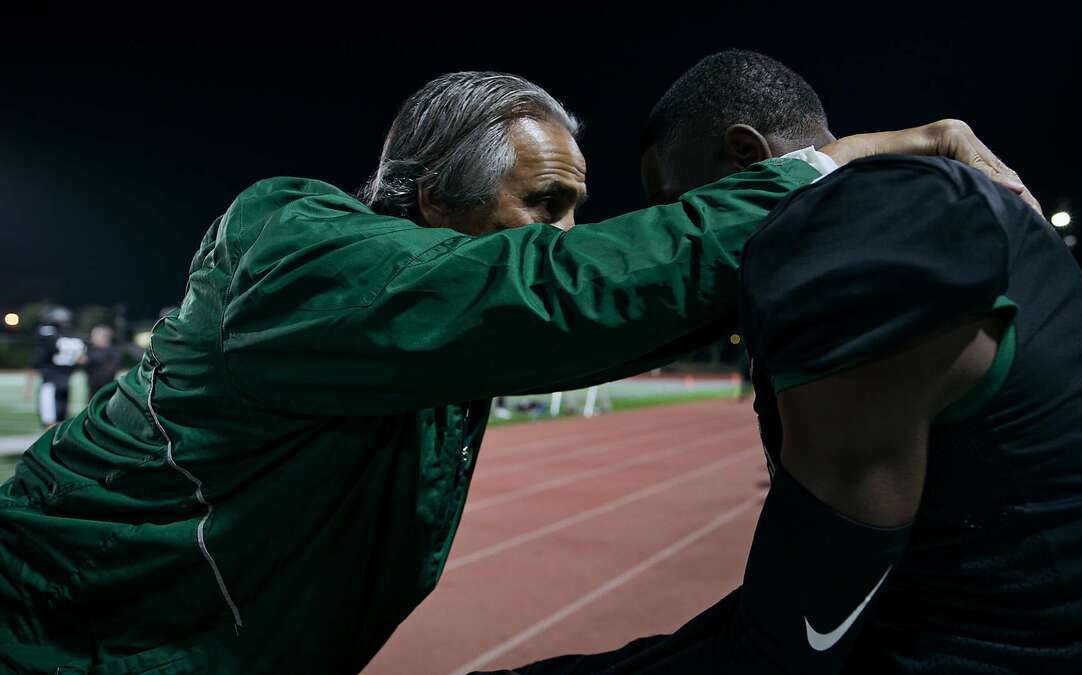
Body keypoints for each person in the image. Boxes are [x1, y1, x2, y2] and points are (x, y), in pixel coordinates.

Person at [0, 70, 1018, 674]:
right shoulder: (298, 244)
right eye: (545, 203)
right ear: (438, 193)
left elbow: (618, 307)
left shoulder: (441, 340)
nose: (567, 233)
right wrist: (828, 172)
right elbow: (566, 293)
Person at [515, 50, 1082, 674]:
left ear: (746, 157)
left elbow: (791, 645)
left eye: (675, 207)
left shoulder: (851, 235)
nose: (672, 231)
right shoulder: (939, 200)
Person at [23, 307, 86, 429]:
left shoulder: (47, 335)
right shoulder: (75, 337)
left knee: (49, 423)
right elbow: (82, 359)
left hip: (50, 383)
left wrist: (28, 386)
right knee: (60, 424)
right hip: (66, 382)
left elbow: (36, 361)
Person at [83, 324, 122, 400]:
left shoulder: (111, 352)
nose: (92, 338)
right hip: (93, 389)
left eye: (95, 336)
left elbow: (109, 370)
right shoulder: (92, 351)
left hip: (104, 389)